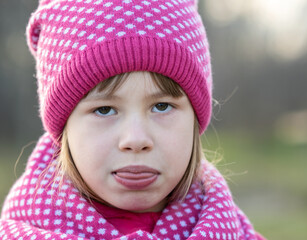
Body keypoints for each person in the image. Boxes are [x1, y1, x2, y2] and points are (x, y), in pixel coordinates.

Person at [0, 0, 265, 239]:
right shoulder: (25, 230)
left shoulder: (230, 230)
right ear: (65, 127)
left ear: (195, 120)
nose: (136, 140)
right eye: (104, 110)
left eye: (162, 106)